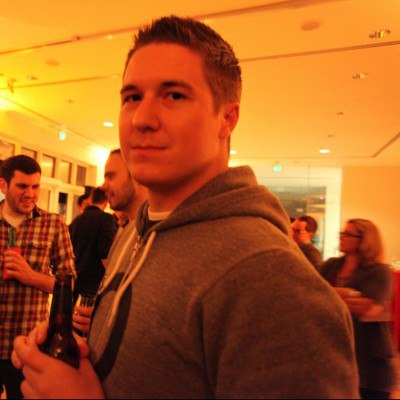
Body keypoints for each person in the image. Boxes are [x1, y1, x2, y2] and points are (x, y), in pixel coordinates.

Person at [12, 16, 358, 398]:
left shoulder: (272, 280)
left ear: (227, 118)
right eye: (132, 97)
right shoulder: (134, 231)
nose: (141, 119)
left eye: (174, 95)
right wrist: (78, 358)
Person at [0, 154, 75, 399]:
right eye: (22, 186)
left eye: (35, 186)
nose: (30, 194)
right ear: (3, 185)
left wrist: (30, 275)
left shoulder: (54, 224)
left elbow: (68, 286)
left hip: (28, 345)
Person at [319, 218, 397, 399]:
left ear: (365, 240)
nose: (341, 237)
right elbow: (311, 291)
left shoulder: (380, 271)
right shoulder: (331, 265)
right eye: (342, 233)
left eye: (348, 234)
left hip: (369, 352)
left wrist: (328, 292)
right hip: (333, 347)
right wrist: (350, 293)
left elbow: (369, 308)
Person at [69, 187, 117, 303]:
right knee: (86, 313)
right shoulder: (106, 219)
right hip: (93, 282)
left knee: (70, 312)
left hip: (74, 279)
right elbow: (104, 252)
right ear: (106, 201)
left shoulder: (76, 220)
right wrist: (112, 276)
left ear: (91, 199)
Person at [101, 148, 147, 226]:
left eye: (110, 177)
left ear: (136, 176)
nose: (103, 187)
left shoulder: (160, 231)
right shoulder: (127, 231)